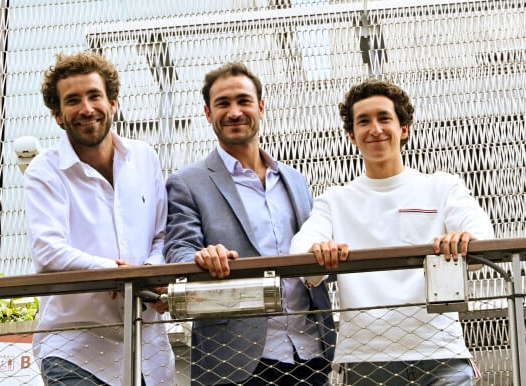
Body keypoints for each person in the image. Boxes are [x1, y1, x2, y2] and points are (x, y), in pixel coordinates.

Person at [290, 79, 494, 385]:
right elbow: (301, 256)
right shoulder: (334, 200)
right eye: (363, 121)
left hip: (441, 354)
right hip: (365, 360)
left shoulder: (442, 187)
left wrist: (463, 240)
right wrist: (318, 252)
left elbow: (483, 240)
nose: (375, 129)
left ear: (404, 128)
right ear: (351, 135)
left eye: (384, 118)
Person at [164, 62, 335, 385]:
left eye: (243, 101)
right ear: (207, 113)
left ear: (260, 106)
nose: (234, 112)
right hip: (234, 359)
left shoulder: (295, 180)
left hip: (310, 352)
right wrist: (201, 257)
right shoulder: (187, 182)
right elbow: (178, 248)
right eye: (222, 104)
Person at [24, 51, 174, 386]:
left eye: (94, 96)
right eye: (72, 100)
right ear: (57, 115)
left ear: (113, 103)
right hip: (75, 351)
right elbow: (48, 250)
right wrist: (113, 272)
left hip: (148, 350)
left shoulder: (145, 158)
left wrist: (149, 273)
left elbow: (163, 235)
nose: (86, 108)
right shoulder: (44, 171)